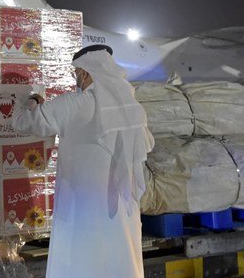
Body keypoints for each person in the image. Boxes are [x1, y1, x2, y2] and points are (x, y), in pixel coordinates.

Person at [13, 44, 154, 278]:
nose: (76, 79)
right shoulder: (131, 108)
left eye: (76, 73)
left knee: (83, 261)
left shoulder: (77, 103)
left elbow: (24, 123)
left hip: (84, 212)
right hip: (121, 210)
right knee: (119, 260)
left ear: (86, 72)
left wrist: (32, 102)